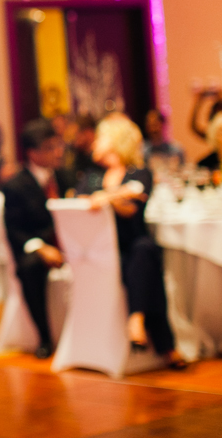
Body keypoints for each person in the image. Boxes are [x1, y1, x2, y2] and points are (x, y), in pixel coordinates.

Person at [79, 113, 185, 369]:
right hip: (100, 253)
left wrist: (104, 199)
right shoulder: (90, 176)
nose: (94, 142)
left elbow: (132, 202)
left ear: (116, 142)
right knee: (147, 259)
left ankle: (137, 320)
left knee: (143, 252)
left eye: (102, 137)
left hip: (130, 252)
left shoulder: (139, 172)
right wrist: (115, 197)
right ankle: (165, 345)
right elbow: (81, 201)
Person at [1, 118, 68, 359]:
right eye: (50, 148)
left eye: (57, 145)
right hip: (39, 247)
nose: (57, 152)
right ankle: (44, 337)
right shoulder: (16, 185)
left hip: (72, 244)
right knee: (28, 268)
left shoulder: (64, 176)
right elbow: (15, 230)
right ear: (33, 152)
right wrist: (42, 248)